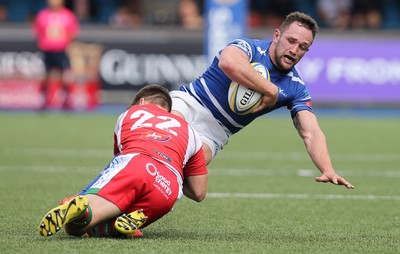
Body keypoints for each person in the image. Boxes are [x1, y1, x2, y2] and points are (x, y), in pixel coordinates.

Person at [170, 11, 354, 189]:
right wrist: (270, 90)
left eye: (303, 47)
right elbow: (228, 62)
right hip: (189, 103)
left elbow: (311, 133)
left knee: (196, 189)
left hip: (214, 133)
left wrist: (327, 169)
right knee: (164, 141)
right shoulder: (250, 48)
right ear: (276, 35)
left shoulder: (295, 88)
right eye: (291, 41)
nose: (294, 50)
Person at [38, 84, 208, 238]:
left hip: (136, 163)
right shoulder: (191, 131)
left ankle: (82, 212)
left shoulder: (129, 114)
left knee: (74, 228)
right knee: (112, 221)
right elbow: (199, 192)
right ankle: (113, 227)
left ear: (142, 101)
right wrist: (173, 173)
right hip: (168, 188)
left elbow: (119, 160)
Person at [33, 0, 80, 110]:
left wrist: (65, 43)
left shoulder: (68, 15)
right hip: (47, 50)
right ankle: (44, 101)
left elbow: (73, 32)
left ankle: (66, 101)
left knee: (65, 76)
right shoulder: (42, 15)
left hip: (61, 50)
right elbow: (37, 32)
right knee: (46, 76)